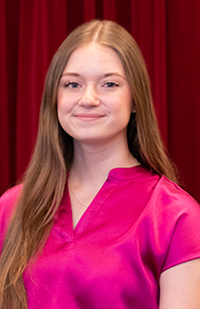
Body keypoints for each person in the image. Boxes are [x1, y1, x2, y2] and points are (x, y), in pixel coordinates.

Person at [0, 19, 200, 309]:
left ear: (135, 100)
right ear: (54, 98)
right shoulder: (10, 208)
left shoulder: (177, 218)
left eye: (109, 84)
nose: (88, 99)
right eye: (72, 84)